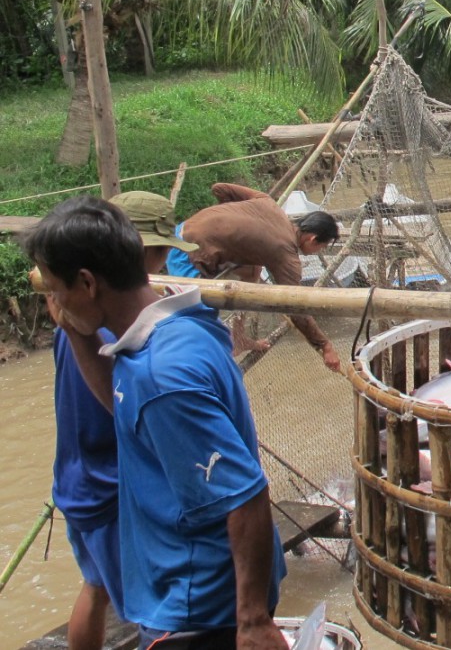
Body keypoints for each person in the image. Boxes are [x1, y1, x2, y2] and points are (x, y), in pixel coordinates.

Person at [25, 196, 288, 650]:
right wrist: (76, 333)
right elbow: (130, 413)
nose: (54, 300)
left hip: (198, 604)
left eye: (55, 289)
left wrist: (252, 621)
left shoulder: (163, 376)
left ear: (86, 283)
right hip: (191, 587)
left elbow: (246, 494)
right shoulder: (176, 327)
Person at [48, 191, 197, 650]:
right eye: (160, 253)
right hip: (113, 490)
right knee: (152, 613)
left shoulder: (75, 315)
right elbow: (131, 413)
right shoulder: (114, 329)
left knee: (95, 589)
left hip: (76, 479)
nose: (166, 262)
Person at [166, 182, 342, 371]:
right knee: (195, 321)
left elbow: (219, 188)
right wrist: (325, 345)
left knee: (253, 269)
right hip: (187, 253)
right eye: (321, 247)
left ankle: (239, 336)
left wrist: (227, 222)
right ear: (312, 239)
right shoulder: (285, 255)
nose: (318, 251)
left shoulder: (268, 203)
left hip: (183, 228)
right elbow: (294, 306)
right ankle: (186, 368)